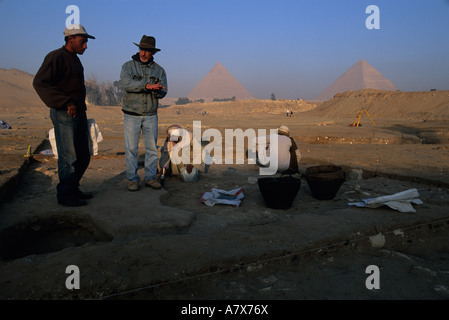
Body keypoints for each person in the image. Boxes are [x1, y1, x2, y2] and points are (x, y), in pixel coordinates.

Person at [33, 24, 95, 207]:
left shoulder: (75, 59)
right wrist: (65, 102)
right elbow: (40, 83)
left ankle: (73, 188)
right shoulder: (56, 57)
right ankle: (66, 195)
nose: (85, 46)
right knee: (69, 157)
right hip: (64, 114)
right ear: (71, 39)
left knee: (84, 155)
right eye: (82, 42)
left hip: (79, 113)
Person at [120, 35, 168, 191]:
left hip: (150, 115)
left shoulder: (160, 71)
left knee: (152, 149)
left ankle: (150, 178)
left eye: (147, 51)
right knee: (131, 149)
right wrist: (147, 86)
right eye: (141, 49)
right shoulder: (128, 67)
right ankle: (133, 180)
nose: (143, 53)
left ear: (153, 52)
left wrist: (158, 91)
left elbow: (164, 91)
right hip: (131, 114)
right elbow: (127, 84)